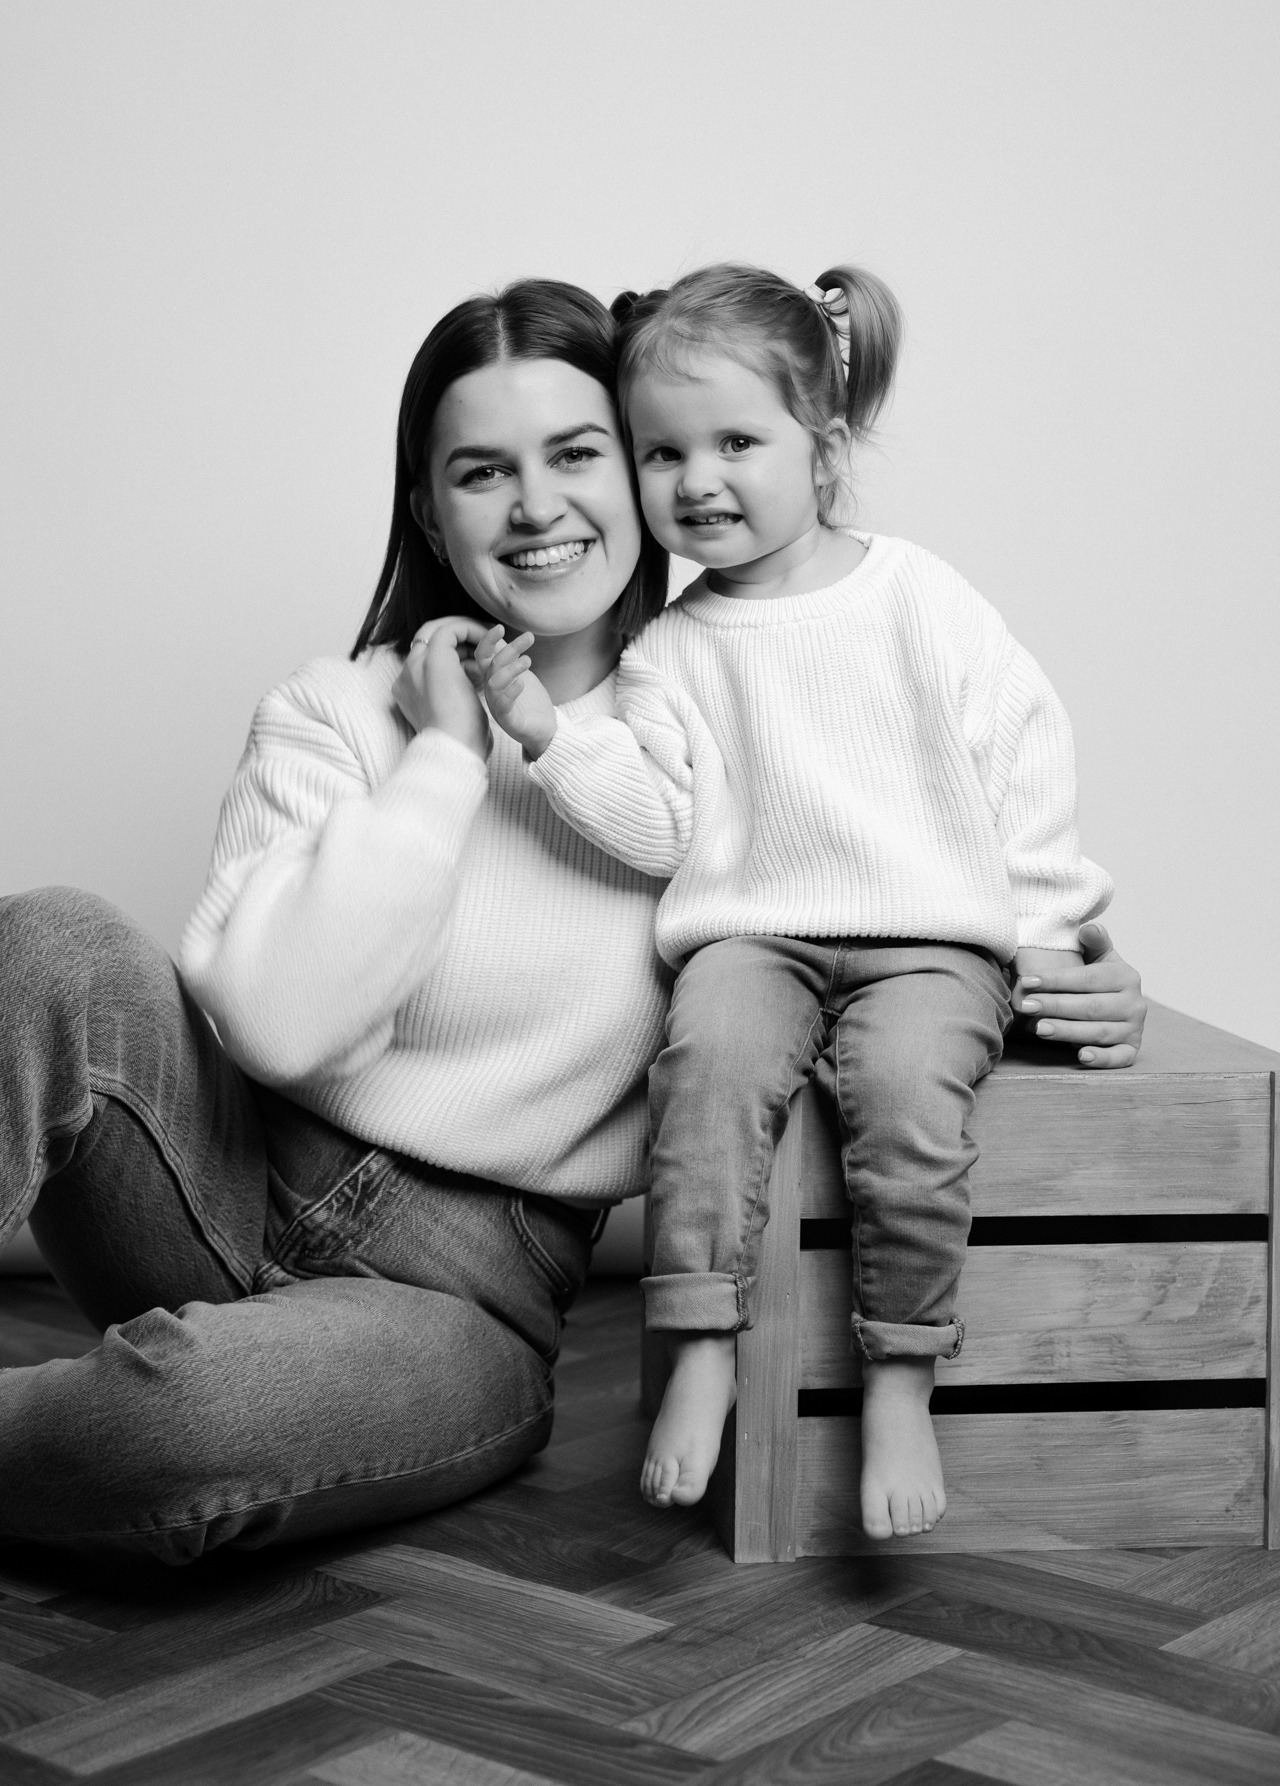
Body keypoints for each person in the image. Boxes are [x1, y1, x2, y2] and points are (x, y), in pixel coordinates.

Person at [0, 277, 1145, 1565]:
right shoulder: (334, 711)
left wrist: (1061, 969)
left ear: (636, 470)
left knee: (181, 1422)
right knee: (48, 941)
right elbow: (279, 1029)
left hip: (460, 1300)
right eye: (482, 471)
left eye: (576, 454)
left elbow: (895, 898)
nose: (535, 506)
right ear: (428, 508)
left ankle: (185, 1393)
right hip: (219, 1177)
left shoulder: (721, 738)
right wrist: (445, 758)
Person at [478, 262, 1122, 1543]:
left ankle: (899, 1375)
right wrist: (548, 734)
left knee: (906, 1100)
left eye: (735, 443)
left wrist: (1045, 938)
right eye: (661, 453)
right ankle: (700, 1341)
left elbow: (1020, 753)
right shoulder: (668, 650)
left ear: (821, 451)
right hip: (753, 938)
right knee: (705, 1070)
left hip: (929, 941)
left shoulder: (916, 596)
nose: (694, 480)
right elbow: (662, 828)